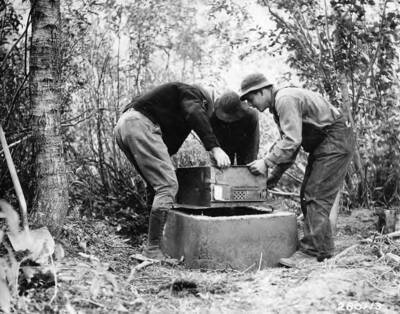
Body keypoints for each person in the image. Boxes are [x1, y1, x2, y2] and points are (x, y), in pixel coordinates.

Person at [239, 73, 355, 267]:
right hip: (326, 142)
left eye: (251, 99)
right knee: (307, 194)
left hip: (335, 138)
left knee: (316, 194)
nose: (251, 105)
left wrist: (266, 162)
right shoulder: (279, 106)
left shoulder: (285, 99)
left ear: (262, 91)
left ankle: (312, 253)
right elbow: (290, 147)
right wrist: (273, 178)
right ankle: (322, 250)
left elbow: (292, 141)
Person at [114, 82, 231, 259]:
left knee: (156, 185)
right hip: (139, 124)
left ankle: (156, 243)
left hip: (124, 126)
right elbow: (194, 112)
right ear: (205, 103)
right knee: (167, 186)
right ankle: (152, 249)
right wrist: (214, 147)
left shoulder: (175, 103)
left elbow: (166, 145)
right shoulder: (191, 94)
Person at [210, 91, 259, 165]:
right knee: (222, 165)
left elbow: (252, 146)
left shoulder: (251, 115)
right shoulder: (213, 115)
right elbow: (212, 139)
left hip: (244, 141)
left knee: (247, 167)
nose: (228, 120)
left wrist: (249, 164)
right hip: (223, 140)